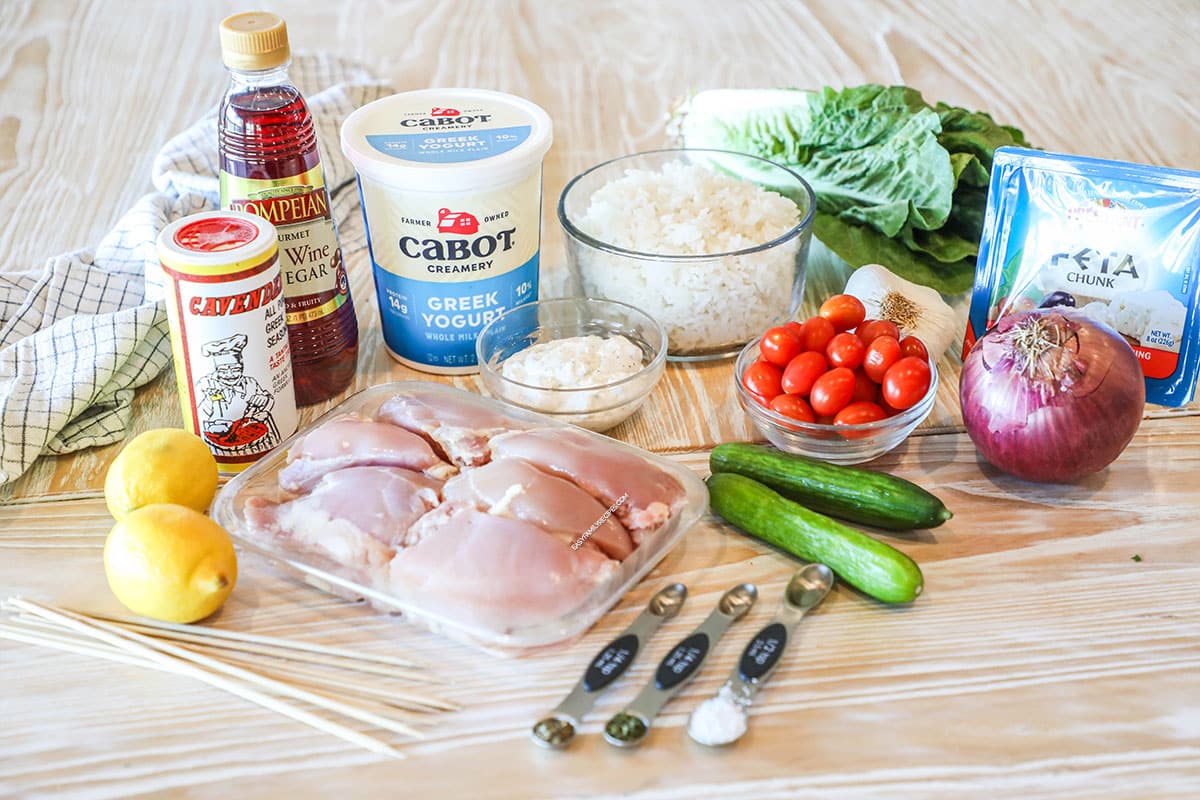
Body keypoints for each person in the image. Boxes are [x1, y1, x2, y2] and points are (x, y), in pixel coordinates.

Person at [195, 333, 275, 445]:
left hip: (253, 438)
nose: (230, 374)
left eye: (236, 369)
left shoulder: (250, 383)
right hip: (218, 442)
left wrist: (265, 402)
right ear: (216, 370)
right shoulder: (206, 384)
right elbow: (198, 412)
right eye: (223, 371)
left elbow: (270, 400)